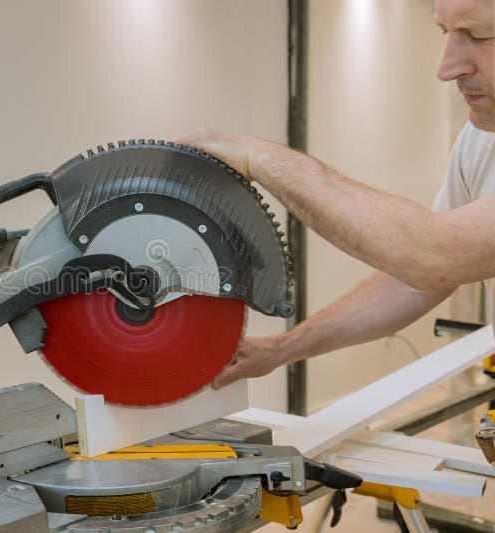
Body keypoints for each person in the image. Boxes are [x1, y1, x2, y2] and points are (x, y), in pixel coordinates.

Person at [177, 0, 495, 390]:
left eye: (481, 35)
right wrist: (281, 348)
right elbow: (418, 280)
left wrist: (261, 158)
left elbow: (431, 256)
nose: (447, 68)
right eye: (445, 32)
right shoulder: (480, 140)